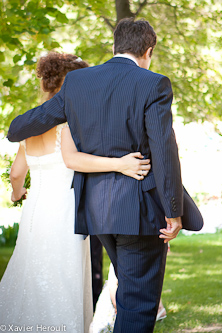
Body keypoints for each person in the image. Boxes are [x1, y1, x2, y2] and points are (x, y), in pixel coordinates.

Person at [7, 19, 203, 333]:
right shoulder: (153, 83)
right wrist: (173, 212)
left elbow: (18, 129)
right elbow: (165, 151)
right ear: (148, 50)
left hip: (97, 214)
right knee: (138, 304)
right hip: (139, 211)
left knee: (128, 292)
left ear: (115, 46)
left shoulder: (78, 83)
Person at [0, 52, 151, 333]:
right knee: (62, 274)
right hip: (64, 212)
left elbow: (17, 173)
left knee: (31, 271)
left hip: (35, 213)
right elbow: (73, 160)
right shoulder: (66, 122)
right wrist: (121, 164)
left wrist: (16, 194)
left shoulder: (31, 124)